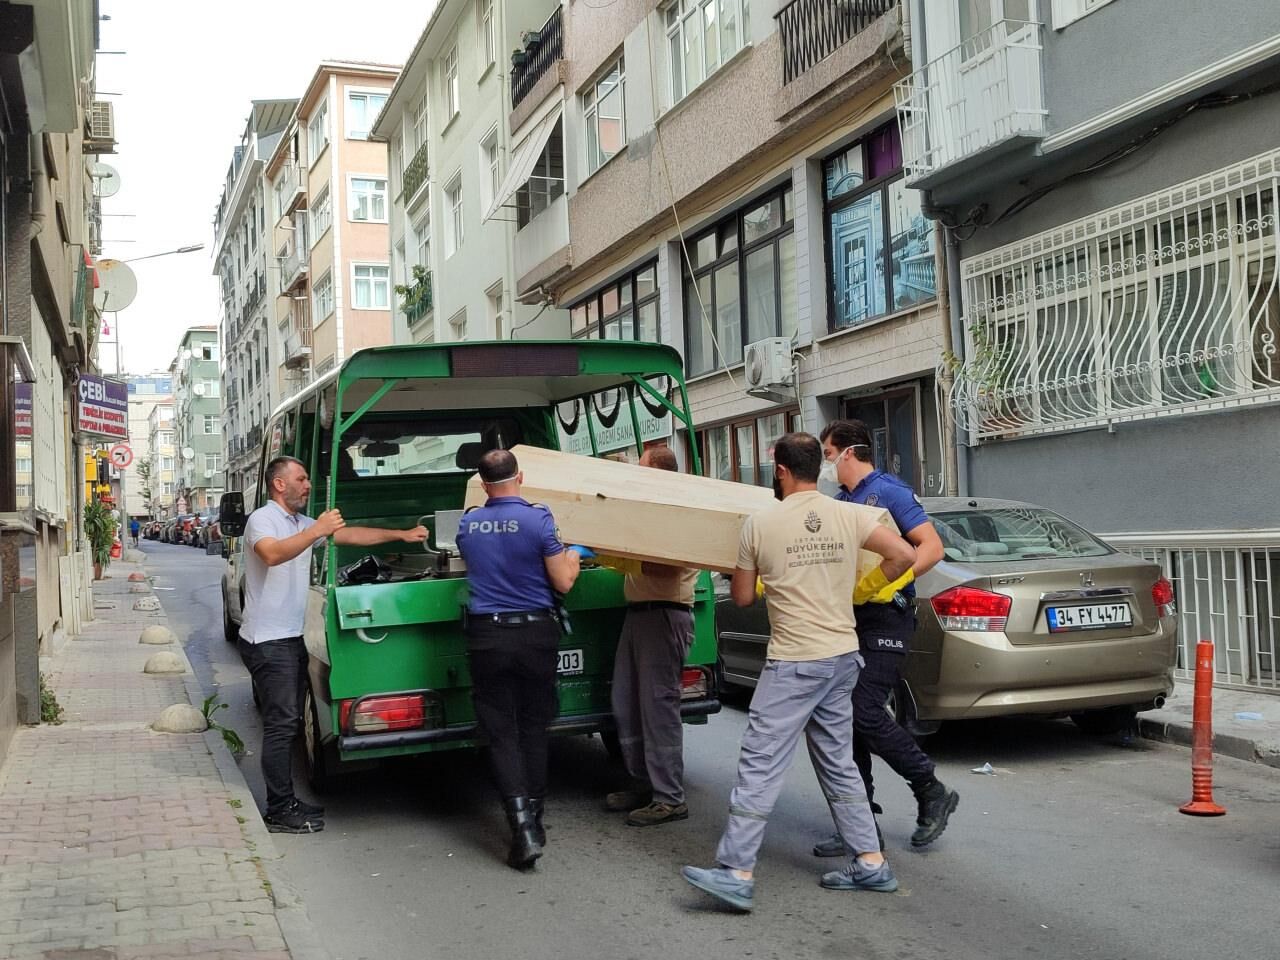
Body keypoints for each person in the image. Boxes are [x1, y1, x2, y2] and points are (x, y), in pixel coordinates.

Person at [681, 432, 916, 912]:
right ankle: (871, 862)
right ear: (817, 468)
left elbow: (743, 598)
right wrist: (862, 585)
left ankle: (736, 872)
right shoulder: (849, 514)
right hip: (841, 656)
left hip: (794, 660)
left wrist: (769, 578)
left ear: (780, 469)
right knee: (838, 761)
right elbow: (906, 555)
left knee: (761, 761)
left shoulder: (759, 525)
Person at [239, 455, 427, 835]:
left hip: (287, 637)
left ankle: (286, 800)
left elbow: (351, 534)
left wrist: (402, 535)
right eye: (302, 478)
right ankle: (278, 809)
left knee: (288, 725)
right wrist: (317, 530)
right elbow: (273, 554)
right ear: (280, 484)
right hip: (266, 640)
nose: (308, 485)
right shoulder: (263, 519)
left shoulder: (299, 523)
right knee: (281, 726)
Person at [811, 420, 958, 854]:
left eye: (828, 454)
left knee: (862, 708)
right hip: (852, 618)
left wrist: (891, 583)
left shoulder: (889, 492)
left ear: (848, 453)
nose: (827, 464)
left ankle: (931, 789)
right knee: (843, 717)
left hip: (887, 620)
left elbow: (931, 547)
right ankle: (860, 823)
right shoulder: (842, 501)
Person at [455, 449, 582, 870]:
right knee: (533, 726)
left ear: (483, 482)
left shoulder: (469, 523)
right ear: (520, 477)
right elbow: (561, 580)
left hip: (488, 635)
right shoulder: (538, 518)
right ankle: (537, 818)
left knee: (500, 731)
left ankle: (521, 826)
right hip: (535, 635)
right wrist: (575, 557)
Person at [603, 446, 701, 827]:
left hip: (664, 614)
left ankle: (670, 797)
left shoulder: (676, 512)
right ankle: (645, 782)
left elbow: (664, 570)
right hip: (642, 614)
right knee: (626, 702)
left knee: (658, 709)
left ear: (658, 472)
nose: (636, 474)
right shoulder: (653, 508)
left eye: (642, 468)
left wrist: (614, 554)